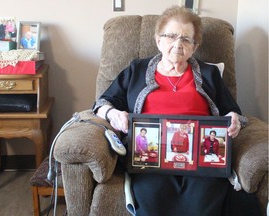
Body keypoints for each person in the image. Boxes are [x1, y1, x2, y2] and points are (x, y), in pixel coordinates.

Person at [92, 5, 261, 216]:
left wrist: (234, 120)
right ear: (158, 40)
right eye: (171, 36)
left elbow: (233, 112)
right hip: (150, 159)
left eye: (186, 39)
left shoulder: (208, 74)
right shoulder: (137, 70)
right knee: (153, 204)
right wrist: (113, 114)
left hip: (201, 160)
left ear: (194, 46)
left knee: (202, 206)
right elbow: (102, 102)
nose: (178, 44)